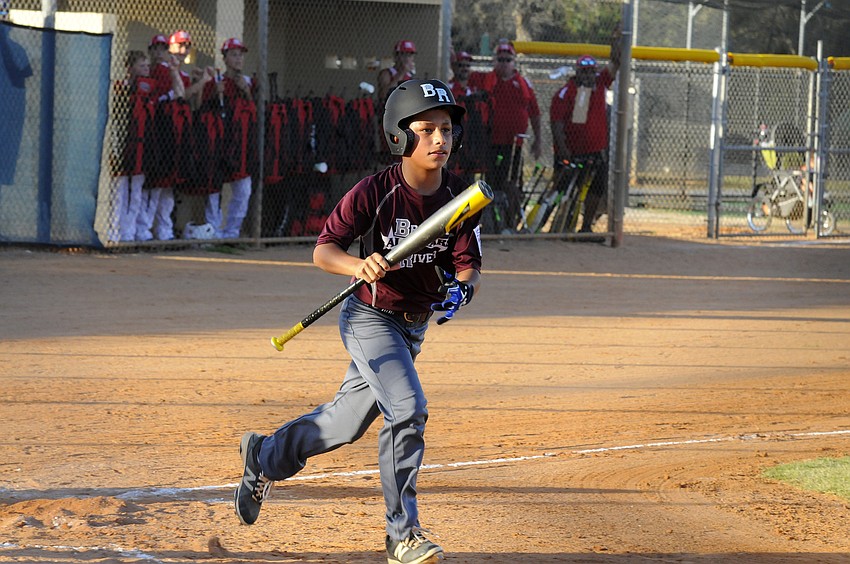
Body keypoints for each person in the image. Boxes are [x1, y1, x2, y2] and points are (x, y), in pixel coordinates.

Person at [234, 79, 483, 564]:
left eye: (447, 130)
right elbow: (323, 251)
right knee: (408, 409)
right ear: (399, 137)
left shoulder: (457, 196)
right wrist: (358, 265)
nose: (440, 140)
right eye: (427, 129)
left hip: (412, 328)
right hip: (370, 317)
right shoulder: (376, 191)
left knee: (343, 425)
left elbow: (466, 259)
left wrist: (463, 286)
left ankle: (263, 456)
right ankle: (402, 535)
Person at [550, 28, 621, 233]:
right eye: (584, 71)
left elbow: (616, 63)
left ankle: (586, 226)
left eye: (592, 71)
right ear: (577, 72)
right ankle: (561, 225)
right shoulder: (566, 93)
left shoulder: (600, 84)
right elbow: (557, 123)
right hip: (572, 151)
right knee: (568, 190)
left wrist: (616, 41)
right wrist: (563, 149)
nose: (589, 76)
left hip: (596, 150)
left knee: (596, 188)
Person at [469, 40, 542, 232]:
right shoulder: (486, 79)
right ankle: (491, 223)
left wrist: (538, 140)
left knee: (511, 183)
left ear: (514, 61)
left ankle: (510, 222)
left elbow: (534, 112)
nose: (504, 63)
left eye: (508, 59)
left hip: (514, 144)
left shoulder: (523, 83)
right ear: (494, 61)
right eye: (500, 59)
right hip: (491, 142)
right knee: (491, 181)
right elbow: (462, 74)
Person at [201, 37, 256, 238]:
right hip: (219, 143)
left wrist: (246, 91)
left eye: (241, 54)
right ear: (224, 58)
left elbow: (257, 112)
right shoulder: (217, 83)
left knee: (243, 190)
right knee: (214, 188)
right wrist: (216, 94)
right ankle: (213, 230)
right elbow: (203, 110)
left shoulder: (249, 83)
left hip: (240, 146)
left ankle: (232, 232)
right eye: (234, 54)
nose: (238, 58)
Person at [137, 33, 187, 241]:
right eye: (155, 49)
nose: (159, 53)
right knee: (149, 186)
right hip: (147, 132)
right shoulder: (147, 72)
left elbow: (181, 94)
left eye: (163, 49)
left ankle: (162, 230)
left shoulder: (170, 72)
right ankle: (143, 230)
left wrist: (175, 74)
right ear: (150, 51)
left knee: (164, 184)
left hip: (165, 133)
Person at [108, 50, 155, 242]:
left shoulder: (149, 87)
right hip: (123, 142)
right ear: (130, 67)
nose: (146, 69)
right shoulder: (121, 86)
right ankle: (114, 230)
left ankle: (130, 231)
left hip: (141, 144)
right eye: (141, 65)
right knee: (119, 191)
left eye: (147, 65)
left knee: (136, 192)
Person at [376, 39, 417, 104]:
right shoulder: (387, 73)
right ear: (396, 56)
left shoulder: (411, 74)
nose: (407, 59)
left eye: (410, 55)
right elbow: (383, 95)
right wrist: (402, 73)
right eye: (404, 55)